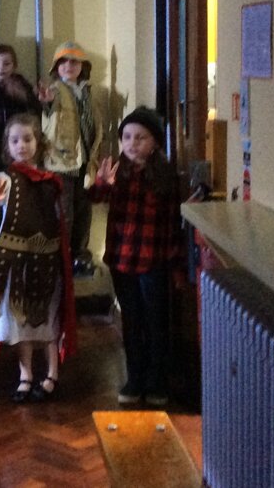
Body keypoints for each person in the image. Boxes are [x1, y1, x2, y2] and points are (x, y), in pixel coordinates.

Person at [90, 107, 183, 407]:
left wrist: (175, 265)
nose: (132, 143)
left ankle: (157, 382)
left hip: (153, 261)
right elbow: (95, 199)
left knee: (156, 322)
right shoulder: (119, 171)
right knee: (131, 321)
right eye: (127, 137)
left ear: (154, 142)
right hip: (122, 260)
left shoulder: (165, 175)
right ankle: (135, 379)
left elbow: (173, 223)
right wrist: (102, 183)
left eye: (140, 137)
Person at [0, 114, 76, 402]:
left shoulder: (52, 182)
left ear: (38, 143)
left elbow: (60, 221)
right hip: (15, 261)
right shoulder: (3, 180)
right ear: (7, 145)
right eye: (15, 140)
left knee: (47, 318)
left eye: (27, 139)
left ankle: (52, 373)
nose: (21, 145)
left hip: (45, 260)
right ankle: (25, 375)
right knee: (19, 320)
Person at [38, 41, 102, 275]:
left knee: (84, 211)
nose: (69, 66)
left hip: (84, 162)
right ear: (56, 67)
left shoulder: (86, 92)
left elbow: (94, 125)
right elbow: (48, 109)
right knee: (63, 213)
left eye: (74, 61)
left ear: (82, 66)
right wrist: (46, 102)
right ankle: (60, 256)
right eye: (63, 62)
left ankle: (79, 255)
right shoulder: (55, 90)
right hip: (61, 162)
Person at [0, 44, 41, 170]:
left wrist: (23, 97)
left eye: (6, 64)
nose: (1, 67)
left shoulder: (22, 87)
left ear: (14, 67)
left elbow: (36, 112)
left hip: (20, 147)